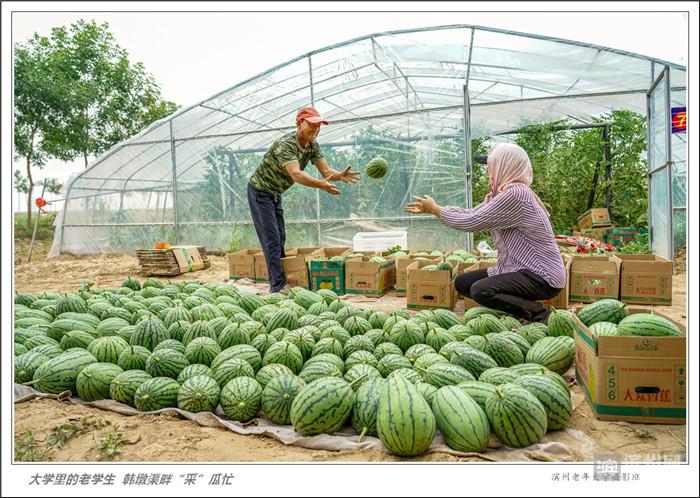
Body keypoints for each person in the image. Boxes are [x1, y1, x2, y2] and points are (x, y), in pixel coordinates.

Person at [404, 143, 565, 323]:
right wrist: (437, 209)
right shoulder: (503, 195)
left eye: (491, 167)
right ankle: (520, 308)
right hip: (516, 269)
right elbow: (472, 214)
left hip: (541, 276)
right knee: (463, 283)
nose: (489, 172)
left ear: (506, 166)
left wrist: (436, 210)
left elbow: (472, 222)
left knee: (481, 290)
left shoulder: (517, 195)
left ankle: (538, 314)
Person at [248, 106, 360, 295]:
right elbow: (296, 174)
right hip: (260, 192)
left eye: (319, 126)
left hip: (275, 193)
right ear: (299, 123)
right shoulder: (286, 144)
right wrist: (321, 185)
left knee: (280, 237)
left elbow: (326, 172)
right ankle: (276, 286)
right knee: (272, 240)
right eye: (312, 125)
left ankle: (280, 279)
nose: (316, 129)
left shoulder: (312, 145)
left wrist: (339, 175)